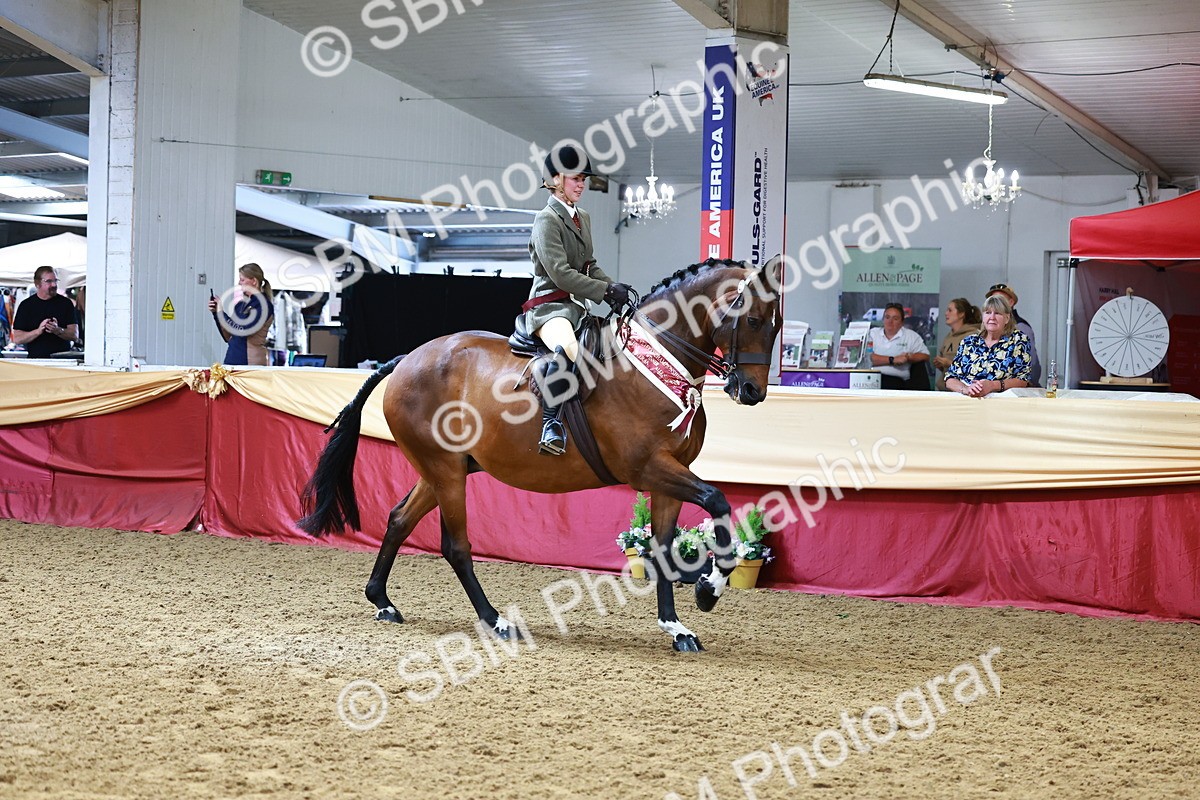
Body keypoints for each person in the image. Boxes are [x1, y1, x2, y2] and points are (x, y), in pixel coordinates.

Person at [524, 144, 632, 455]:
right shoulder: (546, 220)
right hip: (550, 307)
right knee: (571, 349)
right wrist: (601, 292)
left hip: (577, 307)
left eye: (583, 179)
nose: (581, 184)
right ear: (556, 179)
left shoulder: (581, 216)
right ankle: (551, 424)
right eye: (575, 178)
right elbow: (559, 273)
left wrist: (613, 288)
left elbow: (588, 265)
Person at [945, 293, 1032, 397]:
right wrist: (966, 389)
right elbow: (950, 378)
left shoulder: (1018, 340)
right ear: (983, 316)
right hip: (969, 404)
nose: (992, 317)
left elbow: (1023, 379)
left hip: (1003, 406)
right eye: (988, 312)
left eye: (997, 313)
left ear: (1007, 318)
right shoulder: (969, 342)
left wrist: (992, 385)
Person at [207, 263, 274, 366]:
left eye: (242, 280)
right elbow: (228, 335)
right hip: (232, 361)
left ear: (254, 281)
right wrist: (217, 313)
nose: (239, 283)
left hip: (250, 365)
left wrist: (221, 312)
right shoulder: (240, 305)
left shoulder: (263, 305)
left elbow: (243, 330)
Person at [11, 266, 79, 358]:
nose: (54, 285)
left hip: (62, 361)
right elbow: (17, 338)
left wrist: (58, 330)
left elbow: (74, 335)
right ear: (37, 284)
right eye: (49, 281)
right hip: (36, 361)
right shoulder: (26, 306)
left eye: (55, 281)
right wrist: (38, 331)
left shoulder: (66, 303)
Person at [986, 283, 1041, 386]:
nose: (996, 303)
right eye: (992, 299)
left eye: (1000, 299)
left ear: (1011, 302)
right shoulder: (981, 333)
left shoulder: (1021, 328)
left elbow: (1031, 364)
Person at [867, 303, 930, 390]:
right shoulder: (872, 334)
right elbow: (866, 358)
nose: (890, 321)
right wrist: (892, 360)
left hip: (897, 382)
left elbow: (925, 356)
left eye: (895, 318)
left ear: (902, 322)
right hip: (870, 380)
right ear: (883, 319)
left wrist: (909, 357)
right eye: (887, 317)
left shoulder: (911, 336)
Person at [932, 298, 981, 391]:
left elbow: (974, 368)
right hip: (945, 388)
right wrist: (941, 365)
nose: (946, 313)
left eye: (950, 310)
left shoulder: (973, 336)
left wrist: (949, 363)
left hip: (964, 391)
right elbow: (946, 369)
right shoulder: (948, 336)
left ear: (961, 314)